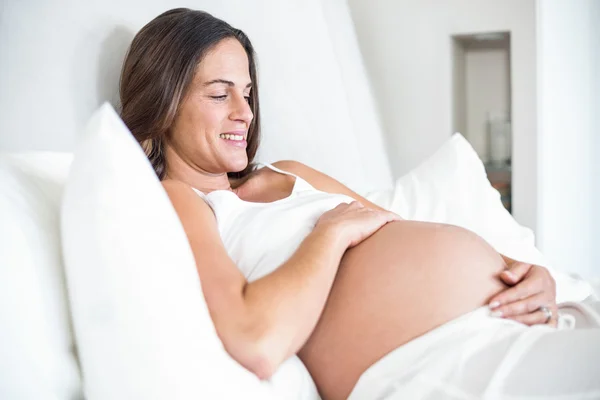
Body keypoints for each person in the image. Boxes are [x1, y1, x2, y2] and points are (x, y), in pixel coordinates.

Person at [119, 8, 600, 400]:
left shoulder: (290, 172)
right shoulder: (178, 200)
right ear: (163, 103)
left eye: (246, 93)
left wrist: (527, 271)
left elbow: (397, 230)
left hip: (510, 323)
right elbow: (257, 342)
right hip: (435, 362)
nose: (244, 113)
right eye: (220, 94)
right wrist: (330, 235)